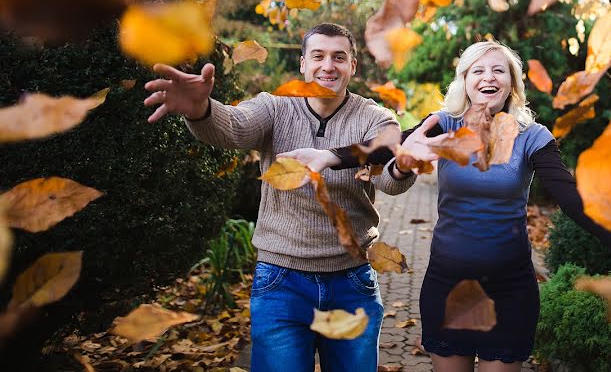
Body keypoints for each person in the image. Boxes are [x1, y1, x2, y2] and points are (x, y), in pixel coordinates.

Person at [293, 40, 611, 372]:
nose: (488, 77)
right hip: (449, 284)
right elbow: (381, 148)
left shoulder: (533, 136)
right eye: (478, 71)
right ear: (465, 82)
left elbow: (573, 200)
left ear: (512, 84)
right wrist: (329, 157)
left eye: (498, 70)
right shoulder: (442, 125)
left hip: (510, 288)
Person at [142, 23, 416, 372]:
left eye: (339, 57)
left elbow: (391, 180)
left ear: (353, 66)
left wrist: (405, 166)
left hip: (352, 282)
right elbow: (234, 127)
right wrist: (201, 109)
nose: (328, 66)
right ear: (303, 63)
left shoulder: (375, 118)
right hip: (281, 282)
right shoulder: (275, 108)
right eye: (318, 56)